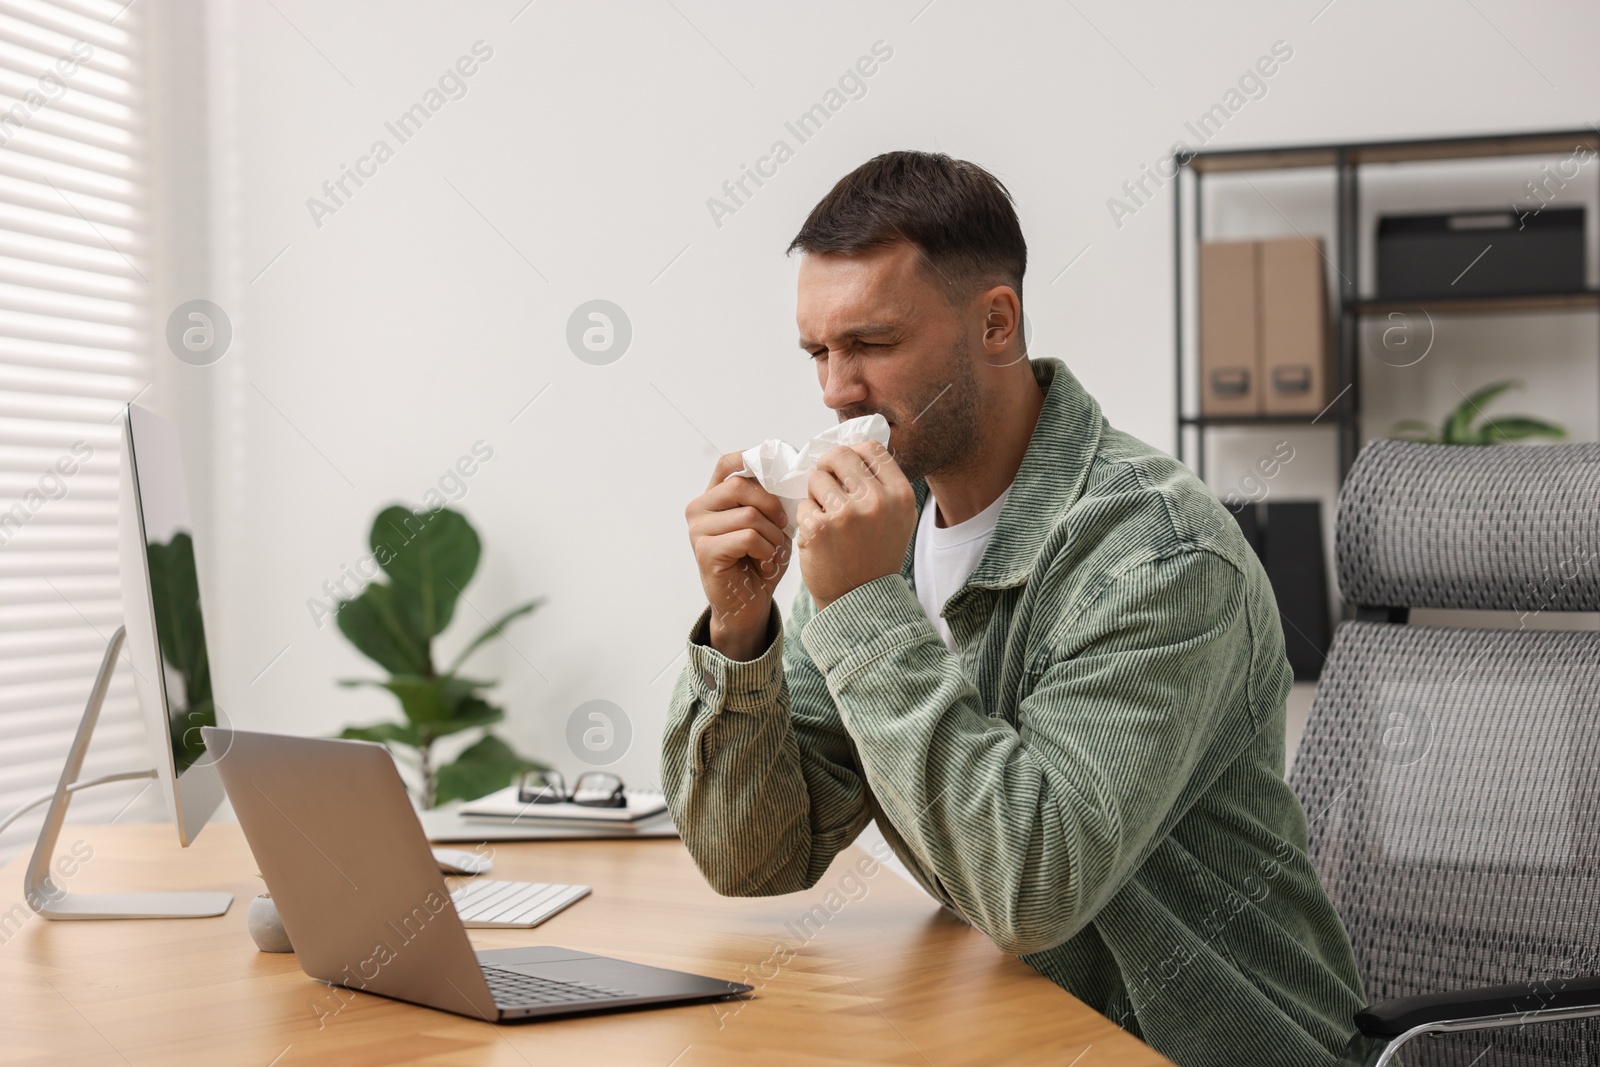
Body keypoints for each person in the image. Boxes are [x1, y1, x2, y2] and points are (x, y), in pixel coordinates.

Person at [664, 150, 1373, 1067]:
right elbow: (753, 857)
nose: (836, 389)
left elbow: (1034, 885)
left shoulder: (1158, 555)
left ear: (996, 322)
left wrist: (867, 606)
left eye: (872, 344)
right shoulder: (889, 528)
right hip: (1031, 1030)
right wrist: (740, 626)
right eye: (819, 352)